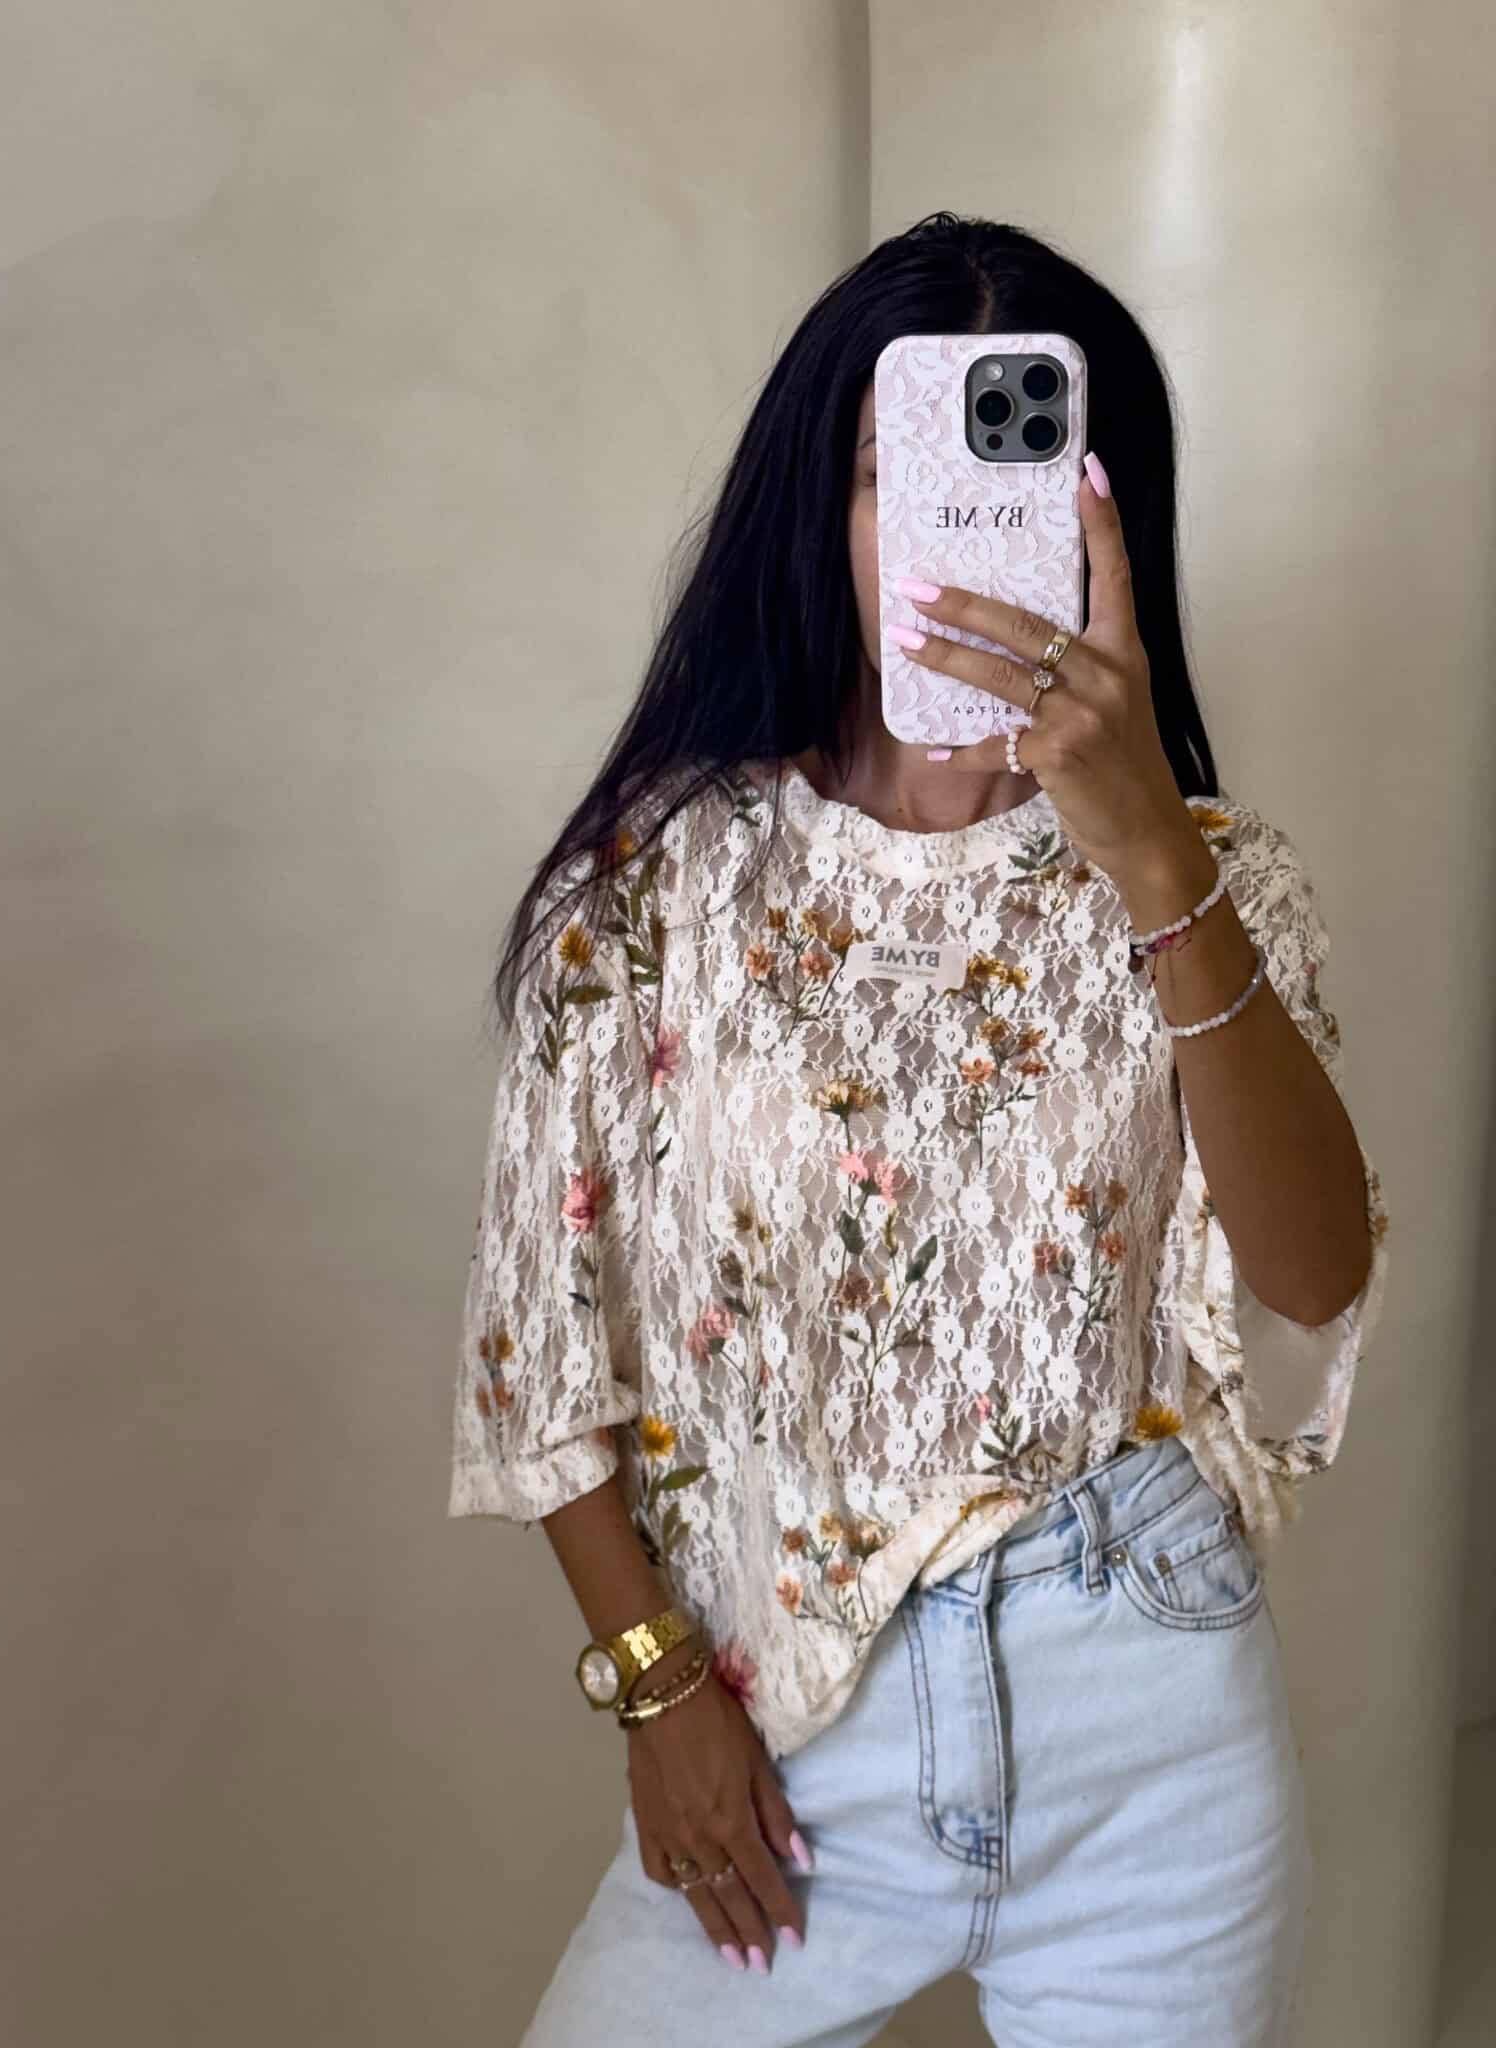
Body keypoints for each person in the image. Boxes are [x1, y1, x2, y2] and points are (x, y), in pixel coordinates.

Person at [447, 212, 1390, 2047]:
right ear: (826, 510)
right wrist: (655, 1686)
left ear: (1103, 524)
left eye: (1014, 482)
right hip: (787, 1716)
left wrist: (1153, 858)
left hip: (1149, 1720)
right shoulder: (656, 881)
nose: (953, 537)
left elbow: (1311, 1278)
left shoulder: (1219, 874)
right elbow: (533, 1344)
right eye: (896, 478)